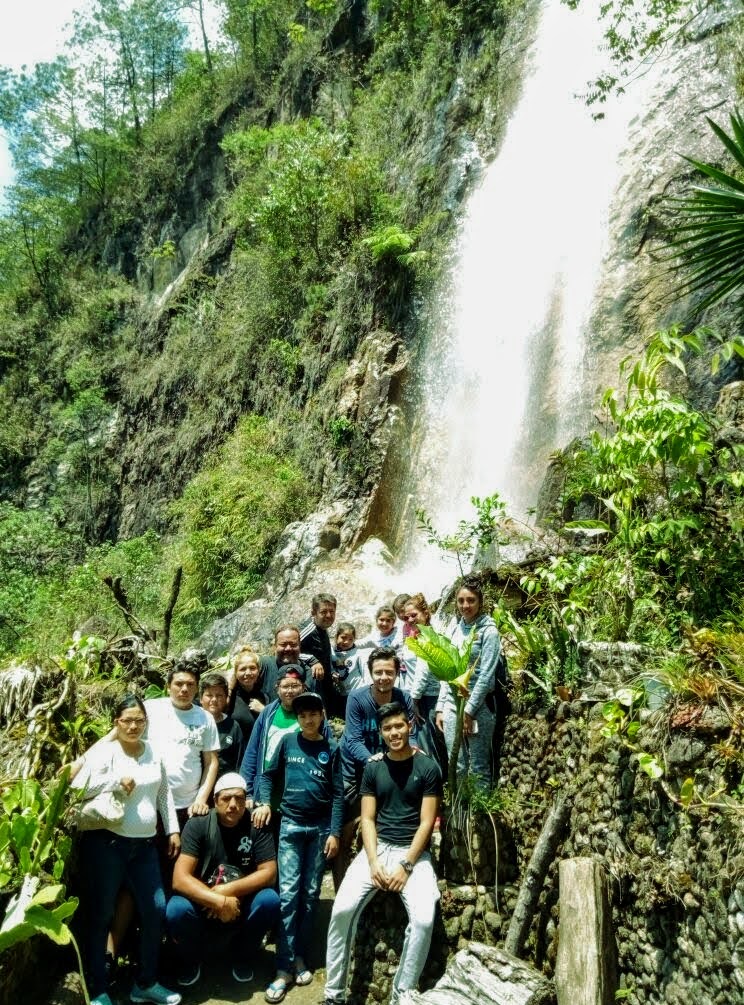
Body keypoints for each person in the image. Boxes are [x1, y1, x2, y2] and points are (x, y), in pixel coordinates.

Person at [323, 701, 442, 1005]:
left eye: (399, 726)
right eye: (387, 728)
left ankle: (403, 994)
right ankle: (333, 995)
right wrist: (373, 861)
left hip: (414, 855)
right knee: (341, 911)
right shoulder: (374, 767)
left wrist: (406, 865)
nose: (394, 732)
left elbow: (427, 822)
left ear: (409, 727)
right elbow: (368, 819)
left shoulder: (428, 767)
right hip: (376, 850)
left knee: (424, 920)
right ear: (381, 732)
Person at [71, 695, 182, 1005]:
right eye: (127, 721)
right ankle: (98, 989)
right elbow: (77, 786)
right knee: (102, 913)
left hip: (144, 846)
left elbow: (163, 794)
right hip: (108, 844)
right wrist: (114, 783)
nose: (133, 726)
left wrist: (172, 828)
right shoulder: (106, 753)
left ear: (146, 723)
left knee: (155, 909)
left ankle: (145, 982)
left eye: (139, 721)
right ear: (115, 723)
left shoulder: (153, 753)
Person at [254, 692, 344, 1002]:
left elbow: (337, 794)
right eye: (303, 714)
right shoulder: (288, 742)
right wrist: (264, 801)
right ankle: (282, 969)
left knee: (309, 896)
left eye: (313, 714)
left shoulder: (332, 749)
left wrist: (334, 833)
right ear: (299, 718)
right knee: (289, 895)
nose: (308, 719)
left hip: (319, 830)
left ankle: (300, 957)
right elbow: (267, 775)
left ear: (322, 716)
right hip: (290, 826)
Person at [166, 773, 280, 988]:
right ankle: (191, 961)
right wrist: (217, 901)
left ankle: (243, 957)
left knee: (269, 900)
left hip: (241, 904)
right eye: (226, 798)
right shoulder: (198, 824)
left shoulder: (257, 824)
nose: (233, 805)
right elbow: (179, 879)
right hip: (203, 905)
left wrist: (226, 891)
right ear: (215, 800)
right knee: (176, 909)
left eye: (239, 798)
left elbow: (269, 873)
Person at [335, 647, 416, 887]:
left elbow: (411, 733)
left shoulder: (404, 698)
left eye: (388, 672)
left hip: (386, 773)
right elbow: (353, 739)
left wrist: (414, 750)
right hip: (355, 772)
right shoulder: (358, 698)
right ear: (370, 673)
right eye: (378, 672)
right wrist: (376, 762)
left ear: (396, 673)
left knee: (376, 831)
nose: (383, 677)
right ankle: (341, 888)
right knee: (345, 832)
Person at [435, 576, 505, 788]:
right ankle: (458, 815)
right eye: (461, 600)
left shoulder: (488, 631)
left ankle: (477, 818)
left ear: (480, 602)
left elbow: (486, 675)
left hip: (479, 707)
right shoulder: (455, 628)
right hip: (452, 705)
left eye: (471, 600)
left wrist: (469, 711)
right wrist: (440, 706)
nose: (465, 606)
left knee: (477, 766)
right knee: (457, 764)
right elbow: (448, 669)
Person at [239, 665, 332, 806]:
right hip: (266, 793)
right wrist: (248, 792)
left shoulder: (313, 715)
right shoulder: (268, 713)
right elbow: (252, 752)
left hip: (301, 794)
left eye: (295, 686)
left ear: (303, 688)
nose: (290, 691)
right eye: (285, 686)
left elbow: (329, 750)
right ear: (277, 688)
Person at [145, 657, 220, 829]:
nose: (184, 689)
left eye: (190, 684)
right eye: (179, 684)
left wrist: (201, 799)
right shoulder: (150, 709)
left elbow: (211, 762)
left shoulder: (205, 718)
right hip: (150, 803)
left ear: (197, 688)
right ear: (168, 686)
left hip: (187, 806)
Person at [401, 594, 447, 771]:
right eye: (407, 617)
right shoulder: (418, 635)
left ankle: (435, 788)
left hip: (428, 698)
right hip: (424, 697)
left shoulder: (427, 637)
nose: (410, 619)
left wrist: (414, 700)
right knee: (430, 744)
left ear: (426, 613)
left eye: (414, 615)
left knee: (430, 746)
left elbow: (423, 671)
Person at [299, 593, 339, 715]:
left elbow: (324, 653)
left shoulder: (322, 627)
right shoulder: (308, 630)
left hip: (324, 682)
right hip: (310, 682)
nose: (328, 615)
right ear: (313, 613)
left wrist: (332, 670)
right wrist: (312, 660)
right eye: (324, 612)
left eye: (332, 611)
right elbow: (288, 651)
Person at [200, 671, 244, 777]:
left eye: (219, 695)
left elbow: (239, 761)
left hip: (224, 786)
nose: (214, 700)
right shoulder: (193, 723)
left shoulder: (233, 726)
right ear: (201, 698)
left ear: (225, 699)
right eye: (209, 695)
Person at [259, 624, 322, 698]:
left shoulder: (310, 673)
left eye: (293, 644)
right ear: (275, 646)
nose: (288, 648)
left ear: (300, 646)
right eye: (283, 644)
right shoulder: (264, 665)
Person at [227, 646, 268, 744]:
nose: (248, 673)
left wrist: (263, 710)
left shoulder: (264, 697)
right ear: (235, 673)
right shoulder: (230, 698)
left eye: (252, 668)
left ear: (258, 671)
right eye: (242, 669)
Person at [330, 622, 367, 714]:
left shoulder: (357, 654)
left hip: (358, 692)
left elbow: (365, 674)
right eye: (343, 638)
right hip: (342, 694)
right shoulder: (331, 653)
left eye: (351, 639)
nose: (346, 642)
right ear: (336, 637)